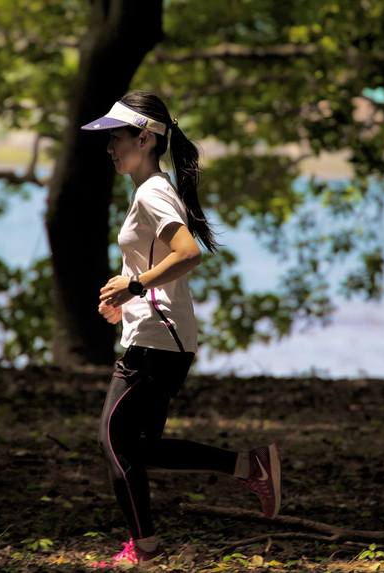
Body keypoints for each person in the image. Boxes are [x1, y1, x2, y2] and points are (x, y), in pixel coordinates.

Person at [82, 91, 282, 568]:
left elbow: (187, 252)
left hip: (158, 343)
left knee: (112, 440)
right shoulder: (152, 188)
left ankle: (144, 550)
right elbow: (158, 262)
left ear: (146, 138)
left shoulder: (152, 190)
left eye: (117, 137)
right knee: (139, 446)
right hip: (158, 338)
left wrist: (134, 286)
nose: (110, 147)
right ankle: (248, 466)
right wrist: (127, 300)